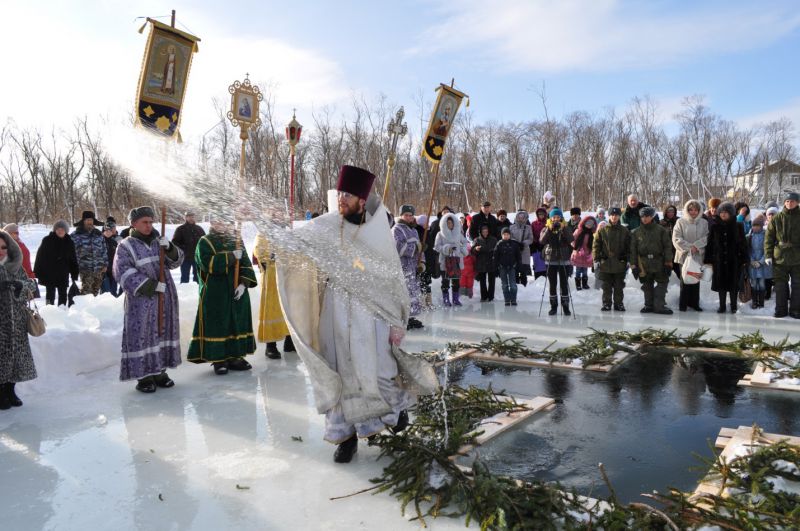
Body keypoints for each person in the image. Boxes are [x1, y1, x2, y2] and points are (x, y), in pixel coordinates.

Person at [275, 165, 434, 463]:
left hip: (372, 314)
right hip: (335, 312)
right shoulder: (327, 224)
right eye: (340, 194)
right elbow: (296, 242)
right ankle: (345, 439)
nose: (341, 199)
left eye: (347, 195)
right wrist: (275, 238)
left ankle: (395, 412)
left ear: (362, 199)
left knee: (378, 372)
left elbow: (392, 279)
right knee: (340, 372)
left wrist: (397, 321)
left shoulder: (378, 232)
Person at [113, 207, 183, 393]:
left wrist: (170, 248)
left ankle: (160, 371)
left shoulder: (158, 241)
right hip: (141, 301)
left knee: (162, 332)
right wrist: (150, 286)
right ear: (133, 223)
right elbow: (122, 272)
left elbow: (176, 262)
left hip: (165, 298)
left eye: (151, 222)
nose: (149, 225)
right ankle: (143, 376)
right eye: (144, 222)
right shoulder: (125, 246)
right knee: (142, 336)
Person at [187, 215, 258, 374]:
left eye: (225, 220)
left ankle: (235, 356)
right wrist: (231, 256)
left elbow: (246, 263)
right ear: (212, 222)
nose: (222, 224)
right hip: (215, 293)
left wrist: (243, 284)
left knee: (236, 323)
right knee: (218, 324)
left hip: (237, 291)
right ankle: (219, 359)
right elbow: (208, 264)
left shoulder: (236, 240)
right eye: (218, 220)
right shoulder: (204, 241)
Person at [0, 229, 38, 409]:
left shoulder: (15, 264)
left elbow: (32, 285)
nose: (1, 251)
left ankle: (10, 390)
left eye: (4, 247)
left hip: (17, 322)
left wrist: (20, 286)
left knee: (16, 358)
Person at [253, 231, 295, 359]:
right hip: (271, 278)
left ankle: (290, 341)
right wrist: (271, 256)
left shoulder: (286, 233)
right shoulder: (263, 233)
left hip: (287, 277)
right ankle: (270, 346)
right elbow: (259, 252)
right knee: (271, 311)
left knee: (289, 309)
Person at [704, 202, 748, 314]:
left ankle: (734, 306)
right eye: (721, 212)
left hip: (734, 261)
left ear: (731, 213)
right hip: (719, 260)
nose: (723, 214)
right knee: (721, 285)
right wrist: (708, 259)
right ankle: (722, 306)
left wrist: (744, 259)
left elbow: (743, 244)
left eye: (726, 212)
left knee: (733, 285)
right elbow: (710, 244)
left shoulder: (738, 226)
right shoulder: (715, 227)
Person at [630, 206, 673, 314]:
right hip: (643, 263)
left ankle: (659, 306)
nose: (644, 218)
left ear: (652, 216)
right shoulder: (636, 232)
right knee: (647, 284)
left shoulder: (661, 230)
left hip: (659, 261)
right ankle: (648, 305)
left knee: (662, 282)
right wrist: (633, 265)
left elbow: (668, 247)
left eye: (647, 216)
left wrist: (668, 262)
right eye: (642, 216)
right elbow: (632, 250)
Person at [765, 192, 800, 318]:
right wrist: (768, 255)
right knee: (780, 285)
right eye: (787, 201)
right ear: (784, 203)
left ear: (797, 203)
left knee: (797, 285)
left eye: (792, 201)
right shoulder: (776, 218)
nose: (789, 203)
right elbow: (769, 238)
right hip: (780, 258)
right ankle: (781, 309)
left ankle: (796, 310)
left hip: (797, 258)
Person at [672, 200, 708, 312]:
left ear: (699, 211)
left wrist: (697, 246)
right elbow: (676, 238)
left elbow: (707, 237)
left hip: (697, 255)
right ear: (687, 210)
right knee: (685, 280)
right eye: (691, 210)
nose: (693, 212)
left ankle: (694, 303)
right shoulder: (680, 222)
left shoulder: (704, 222)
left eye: (696, 210)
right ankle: (683, 304)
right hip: (684, 256)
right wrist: (689, 247)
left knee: (696, 279)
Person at [392, 205, 424, 329]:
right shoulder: (396, 229)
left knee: (412, 291)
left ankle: (410, 317)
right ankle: (402, 318)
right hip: (402, 266)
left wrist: (422, 263)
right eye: (406, 215)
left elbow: (420, 250)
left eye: (411, 215)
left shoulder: (414, 230)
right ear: (401, 215)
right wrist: (415, 248)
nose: (409, 217)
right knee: (403, 292)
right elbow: (398, 247)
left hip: (413, 266)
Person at [592, 207, 630, 311]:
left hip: (619, 263)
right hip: (605, 263)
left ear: (619, 216)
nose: (614, 217)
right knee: (606, 286)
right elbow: (596, 246)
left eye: (616, 215)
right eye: (612, 215)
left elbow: (629, 246)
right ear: (609, 216)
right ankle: (606, 303)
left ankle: (619, 304)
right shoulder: (602, 230)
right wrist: (596, 260)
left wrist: (628, 260)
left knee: (619, 286)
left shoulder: (624, 231)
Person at [34, 220, 78, 306]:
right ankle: (48, 310)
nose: (60, 231)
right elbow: (40, 257)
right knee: (50, 294)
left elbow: (73, 259)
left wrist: (74, 274)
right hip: (50, 273)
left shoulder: (69, 242)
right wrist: (38, 271)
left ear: (66, 230)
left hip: (63, 273)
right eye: (58, 229)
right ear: (55, 230)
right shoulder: (47, 240)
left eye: (62, 229)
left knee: (63, 294)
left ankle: (62, 310)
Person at [540, 208, 574, 316]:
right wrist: (549, 230)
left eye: (558, 217)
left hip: (564, 258)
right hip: (551, 259)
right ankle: (553, 307)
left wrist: (564, 229)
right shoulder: (546, 228)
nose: (556, 219)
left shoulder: (566, 227)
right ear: (550, 218)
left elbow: (571, 239)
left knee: (564, 284)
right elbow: (542, 241)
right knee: (552, 284)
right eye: (554, 217)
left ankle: (566, 307)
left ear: (561, 218)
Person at [434, 212, 469, 307]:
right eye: (448, 223)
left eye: (451, 222)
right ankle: (446, 299)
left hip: (456, 261)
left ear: (454, 223)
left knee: (456, 282)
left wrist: (462, 249)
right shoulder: (440, 234)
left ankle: (455, 299)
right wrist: (447, 248)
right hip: (445, 261)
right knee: (445, 282)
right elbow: (437, 247)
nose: (450, 224)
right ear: (444, 224)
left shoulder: (458, 233)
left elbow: (465, 242)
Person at [71, 210, 107, 296]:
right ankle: (84, 305)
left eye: (91, 220)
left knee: (95, 292)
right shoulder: (75, 235)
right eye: (87, 220)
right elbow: (71, 252)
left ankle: (93, 305)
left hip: (98, 268)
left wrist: (105, 264)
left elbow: (104, 250)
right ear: (83, 221)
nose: (89, 222)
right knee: (86, 292)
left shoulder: (98, 234)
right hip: (84, 268)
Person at [172, 211, 206, 284]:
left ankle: (197, 290)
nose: (191, 218)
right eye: (189, 217)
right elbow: (175, 242)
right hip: (185, 258)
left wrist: (202, 253)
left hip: (197, 258)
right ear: (185, 218)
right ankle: (184, 290)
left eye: (192, 217)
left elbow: (205, 242)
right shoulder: (180, 229)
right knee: (184, 278)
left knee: (198, 278)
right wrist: (184, 249)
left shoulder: (199, 229)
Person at [747, 215, 770, 309]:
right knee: (753, 283)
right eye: (754, 225)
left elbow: (767, 250)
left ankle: (761, 302)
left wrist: (760, 262)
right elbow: (748, 250)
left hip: (762, 264)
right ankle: (754, 301)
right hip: (752, 263)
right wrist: (751, 260)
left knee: (761, 284)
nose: (755, 227)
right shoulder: (749, 236)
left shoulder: (766, 235)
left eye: (757, 225)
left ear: (761, 226)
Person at [494, 227, 520, 306]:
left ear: (510, 235)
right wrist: (497, 266)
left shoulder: (514, 244)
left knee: (513, 285)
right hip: (502, 267)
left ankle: (513, 299)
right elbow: (495, 256)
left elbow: (518, 256)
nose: (506, 236)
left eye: (507, 234)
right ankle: (507, 300)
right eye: (504, 234)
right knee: (505, 285)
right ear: (502, 235)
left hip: (512, 267)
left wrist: (518, 265)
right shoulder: (499, 244)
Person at [472, 224, 498, 302]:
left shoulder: (494, 239)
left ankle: (491, 297)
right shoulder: (477, 240)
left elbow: (497, 250)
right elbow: (472, 251)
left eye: (486, 231)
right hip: (481, 263)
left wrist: (494, 252)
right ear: (481, 232)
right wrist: (476, 249)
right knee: (482, 281)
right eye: (483, 231)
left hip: (491, 262)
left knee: (492, 281)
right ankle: (483, 297)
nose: (485, 233)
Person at [571, 215, 597, 291]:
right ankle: (578, 284)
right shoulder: (578, 231)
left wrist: (591, 251)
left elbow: (594, 244)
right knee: (578, 270)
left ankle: (585, 284)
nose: (589, 225)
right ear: (584, 223)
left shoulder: (591, 234)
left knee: (585, 270)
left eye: (591, 224)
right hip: (578, 253)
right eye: (587, 223)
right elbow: (572, 240)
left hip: (587, 254)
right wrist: (577, 248)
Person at [509, 210, 534, 286]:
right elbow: (510, 237)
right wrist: (516, 244)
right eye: (519, 217)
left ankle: (524, 286)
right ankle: (516, 285)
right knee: (515, 270)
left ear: (525, 218)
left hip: (524, 250)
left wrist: (524, 243)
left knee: (523, 271)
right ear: (516, 218)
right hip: (514, 250)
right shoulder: (511, 227)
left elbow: (531, 239)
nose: (520, 219)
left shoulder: (528, 227)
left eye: (522, 218)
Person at [415, 214, 433, 310]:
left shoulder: (428, 232)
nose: (428, 224)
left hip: (428, 261)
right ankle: (422, 302)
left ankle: (429, 302)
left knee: (427, 281)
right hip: (421, 260)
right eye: (426, 222)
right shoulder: (418, 232)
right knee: (422, 281)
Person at [100, 223, 121, 297]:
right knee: (105, 291)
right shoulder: (99, 241)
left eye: (110, 231)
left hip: (113, 269)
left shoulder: (114, 241)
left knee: (113, 290)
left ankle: (113, 300)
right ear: (103, 231)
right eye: (106, 231)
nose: (108, 232)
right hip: (103, 270)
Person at [660, 205, 680, 278]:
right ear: (665, 212)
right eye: (668, 212)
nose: (671, 213)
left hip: (677, 252)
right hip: (666, 254)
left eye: (672, 211)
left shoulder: (679, 221)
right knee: (665, 275)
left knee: (681, 274)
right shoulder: (661, 223)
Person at [764, 205, 779, 300]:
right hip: (767, 253)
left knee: (778, 274)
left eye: (773, 214)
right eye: (769, 214)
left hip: (778, 253)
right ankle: (768, 292)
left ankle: (779, 290)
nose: (771, 216)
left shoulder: (780, 226)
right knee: (768, 274)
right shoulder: (763, 227)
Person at [531, 207, 548, 279]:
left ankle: (546, 277)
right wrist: (534, 243)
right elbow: (531, 234)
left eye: (542, 214)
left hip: (545, 245)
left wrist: (544, 243)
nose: (541, 215)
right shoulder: (533, 223)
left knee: (545, 262)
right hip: (536, 245)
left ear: (545, 215)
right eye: (539, 214)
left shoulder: (548, 223)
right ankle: (537, 278)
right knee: (537, 262)